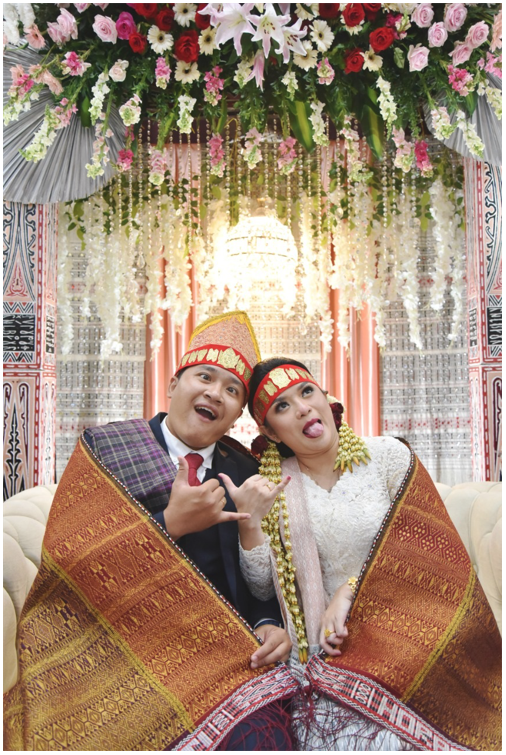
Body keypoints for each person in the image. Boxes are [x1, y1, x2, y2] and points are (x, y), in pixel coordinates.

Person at [4, 315, 295, 752]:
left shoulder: (246, 471)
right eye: (204, 377)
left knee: (264, 738)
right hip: (120, 647)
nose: (215, 393)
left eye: (232, 390)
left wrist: (268, 622)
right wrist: (170, 524)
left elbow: (262, 575)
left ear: (238, 416)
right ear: (173, 385)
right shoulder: (106, 448)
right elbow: (68, 560)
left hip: (222, 653)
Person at [220, 357, 502, 752]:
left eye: (306, 392)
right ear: (269, 430)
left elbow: (431, 550)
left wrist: (350, 590)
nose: (302, 408)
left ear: (325, 396)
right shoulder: (271, 483)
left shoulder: (388, 456)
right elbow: (263, 587)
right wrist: (250, 522)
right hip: (328, 652)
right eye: (282, 406)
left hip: (410, 629)